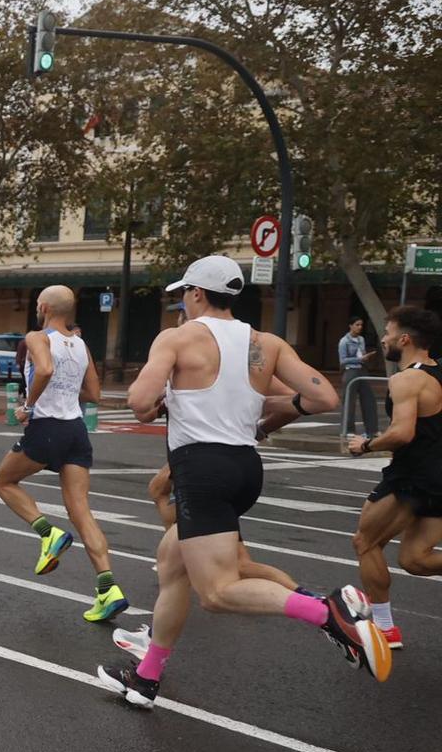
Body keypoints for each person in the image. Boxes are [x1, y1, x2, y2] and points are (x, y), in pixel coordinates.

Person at [98, 255, 388, 708]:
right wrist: (264, 411)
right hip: (245, 469)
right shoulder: (264, 342)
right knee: (172, 564)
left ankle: (328, 614)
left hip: (201, 470)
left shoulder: (176, 338)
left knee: (216, 592)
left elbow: (138, 400)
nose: (183, 304)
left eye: (184, 296)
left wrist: (163, 400)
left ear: (196, 293)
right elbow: (323, 397)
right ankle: (146, 677)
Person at [0, 286, 126, 622]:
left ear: (46, 307)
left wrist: (27, 406)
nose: (37, 309)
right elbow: (93, 392)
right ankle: (108, 587)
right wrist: (67, 380)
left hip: (47, 426)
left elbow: (46, 370)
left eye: (38, 304)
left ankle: (48, 533)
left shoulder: (37, 337)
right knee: (80, 509)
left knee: (4, 482)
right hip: (76, 430)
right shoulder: (81, 344)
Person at [346, 305, 442, 650]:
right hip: (437, 477)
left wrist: (366, 444)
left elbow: (402, 432)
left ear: (404, 338)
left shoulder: (406, 379)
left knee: (365, 542)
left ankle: (384, 629)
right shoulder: (437, 373)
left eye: (387, 332)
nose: (383, 339)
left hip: (411, 477)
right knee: (415, 559)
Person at [340, 315, 379, 436]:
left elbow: (361, 354)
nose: (359, 327)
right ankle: (348, 430)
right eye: (357, 325)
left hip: (362, 371)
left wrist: (365, 357)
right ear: (350, 326)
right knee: (349, 402)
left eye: (361, 325)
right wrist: (359, 359)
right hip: (350, 371)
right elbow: (343, 360)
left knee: (369, 400)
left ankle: (372, 430)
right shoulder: (344, 341)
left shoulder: (361, 339)